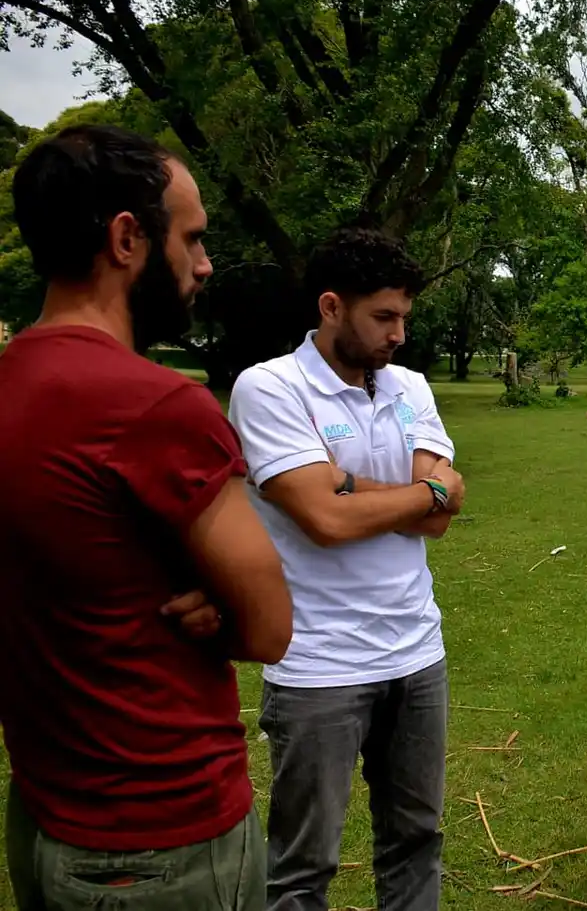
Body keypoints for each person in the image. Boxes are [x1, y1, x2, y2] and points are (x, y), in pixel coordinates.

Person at [0, 124, 292, 910]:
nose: (203, 263)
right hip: (163, 837)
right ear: (127, 238)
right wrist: (219, 601)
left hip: (42, 815)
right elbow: (269, 624)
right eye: (191, 238)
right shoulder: (154, 404)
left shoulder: (10, 380)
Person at [227, 227, 466, 911]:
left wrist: (348, 484)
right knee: (304, 865)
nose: (399, 334)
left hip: (417, 652)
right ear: (331, 306)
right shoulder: (269, 388)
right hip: (319, 664)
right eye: (383, 317)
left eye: (405, 317)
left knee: (416, 839)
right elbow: (323, 524)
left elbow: (441, 513)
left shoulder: (409, 385)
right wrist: (420, 493)